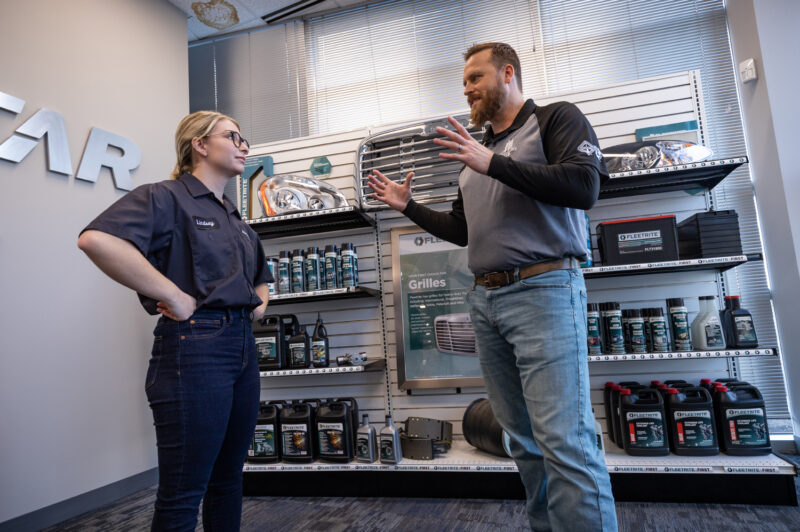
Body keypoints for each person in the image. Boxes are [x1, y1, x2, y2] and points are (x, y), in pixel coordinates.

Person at [368, 42, 617, 531]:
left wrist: (493, 163)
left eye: (476, 77)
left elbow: (583, 188)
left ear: (508, 73)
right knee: (521, 440)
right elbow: (463, 231)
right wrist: (409, 208)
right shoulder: (472, 155)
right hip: (486, 299)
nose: (467, 89)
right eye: (463, 82)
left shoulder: (554, 119)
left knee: (563, 438)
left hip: (544, 290)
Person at [77, 111, 271, 531]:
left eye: (244, 138)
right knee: (184, 491)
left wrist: (256, 305)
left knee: (228, 479)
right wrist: (173, 294)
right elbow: (97, 239)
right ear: (199, 145)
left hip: (242, 350)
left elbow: (262, 283)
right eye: (232, 136)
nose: (244, 145)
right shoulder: (166, 197)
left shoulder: (237, 221)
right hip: (194, 348)